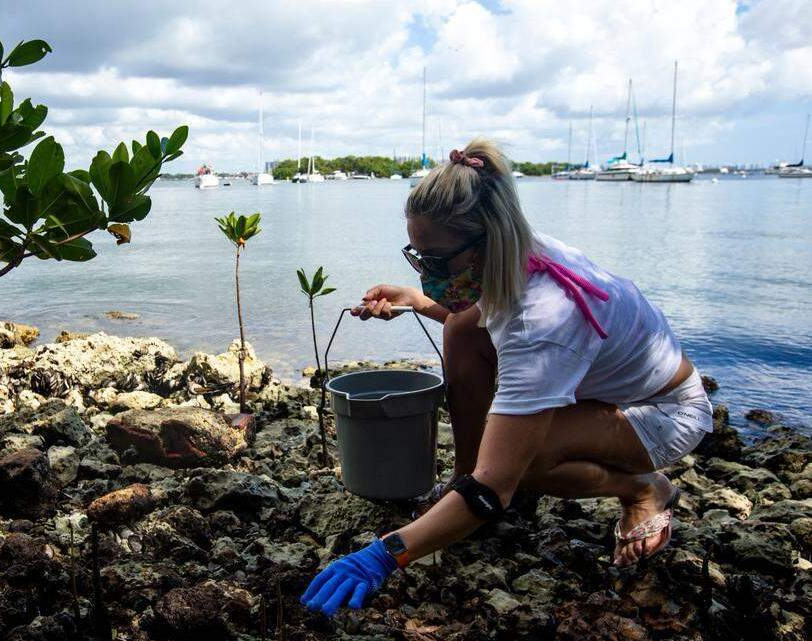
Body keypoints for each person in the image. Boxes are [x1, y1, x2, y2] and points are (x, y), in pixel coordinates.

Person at [300, 139, 713, 617]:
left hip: (663, 413)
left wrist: (383, 556)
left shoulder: (542, 321)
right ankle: (463, 479)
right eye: (417, 256)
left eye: (436, 261)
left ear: (488, 238)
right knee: (461, 325)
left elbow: (495, 484)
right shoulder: (515, 254)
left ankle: (644, 488)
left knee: (521, 464)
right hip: (599, 395)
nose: (427, 270)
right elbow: (485, 320)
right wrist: (416, 298)